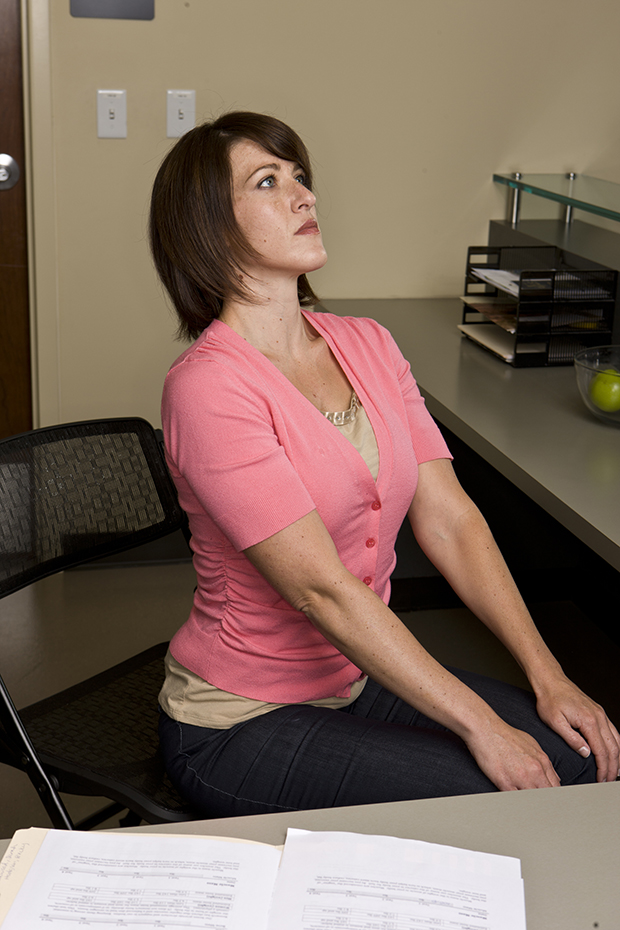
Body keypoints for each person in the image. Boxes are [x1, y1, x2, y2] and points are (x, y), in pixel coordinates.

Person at [149, 111, 619, 817]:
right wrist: (482, 726)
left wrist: (549, 676)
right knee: (510, 798)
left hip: (359, 679)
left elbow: (453, 520)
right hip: (238, 724)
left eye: (301, 177)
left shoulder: (367, 342)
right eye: (269, 181)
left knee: (577, 758)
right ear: (208, 226)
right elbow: (324, 593)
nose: (305, 196)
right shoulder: (208, 387)